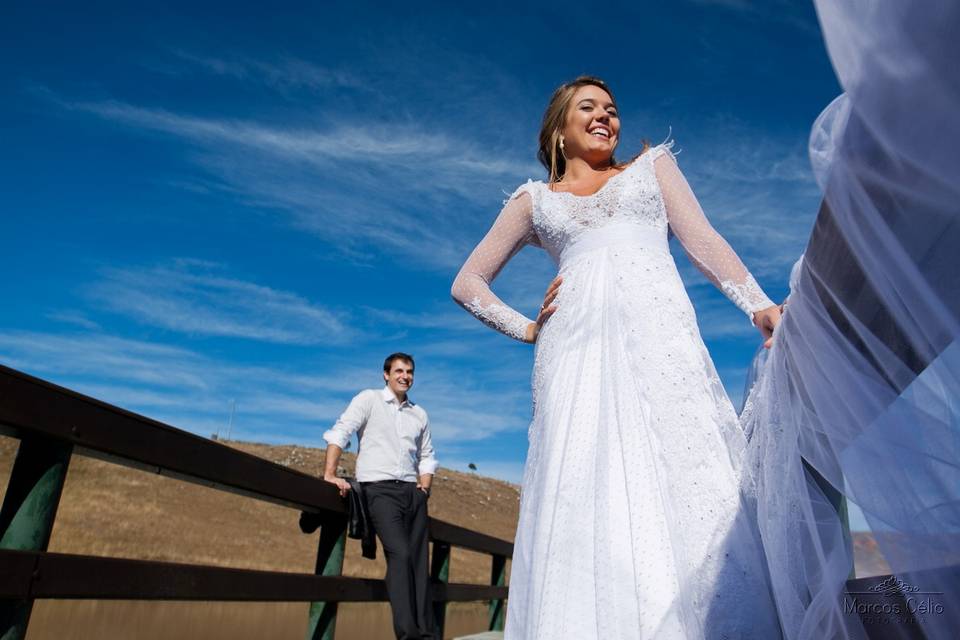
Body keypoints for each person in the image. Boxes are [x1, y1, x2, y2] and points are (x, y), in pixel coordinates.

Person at [451, 76, 783, 638]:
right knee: (583, 479)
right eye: (589, 108)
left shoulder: (652, 168)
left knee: (681, 465)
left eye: (612, 109)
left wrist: (759, 307)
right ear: (559, 129)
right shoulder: (534, 200)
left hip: (661, 343)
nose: (606, 116)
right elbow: (469, 283)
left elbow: (701, 238)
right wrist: (528, 328)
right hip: (572, 356)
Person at [322, 353, 438, 640]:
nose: (405, 376)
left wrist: (425, 488)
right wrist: (329, 473)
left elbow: (427, 455)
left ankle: (427, 634)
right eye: (399, 370)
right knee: (400, 554)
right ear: (386, 374)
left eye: (409, 371)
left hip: (413, 493)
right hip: (379, 490)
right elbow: (341, 432)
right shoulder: (369, 400)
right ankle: (407, 634)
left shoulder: (419, 414)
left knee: (419, 563)